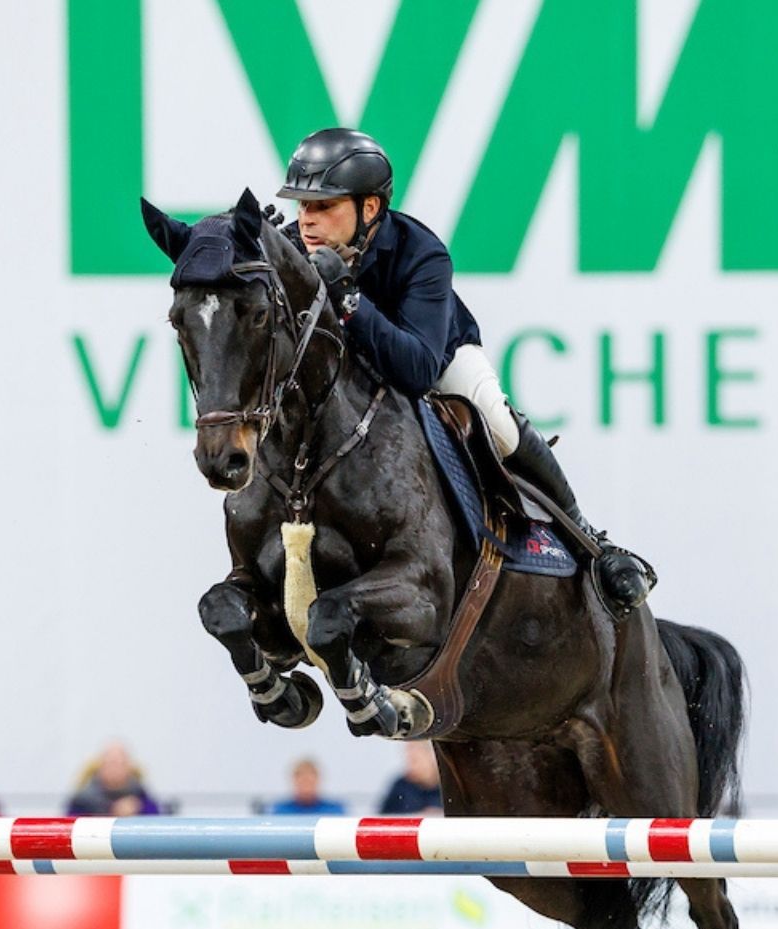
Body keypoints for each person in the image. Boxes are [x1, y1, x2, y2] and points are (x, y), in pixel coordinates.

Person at [274, 128, 656, 620]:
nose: (306, 219)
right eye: (303, 205)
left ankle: (592, 542)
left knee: (495, 420)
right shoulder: (291, 247)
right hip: (343, 373)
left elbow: (416, 370)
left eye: (324, 206)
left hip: (433, 356)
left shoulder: (421, 254)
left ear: (369, 207)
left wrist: (349, 300)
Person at [65, 740, 162, 816]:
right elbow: (72, 826)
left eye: (120, 764)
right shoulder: (83, 799)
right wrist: (110, 815)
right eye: (110, 763)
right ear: (100, 767)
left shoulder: (140, 795)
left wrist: (139, 809)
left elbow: (156, 820)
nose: (115, 769)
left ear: (129, 768)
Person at [378, 741, 442, 815]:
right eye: (408, 759)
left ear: (431, 756)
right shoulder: (401, 787)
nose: (411, 766)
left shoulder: (447, 785)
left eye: (415, 760)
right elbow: (383, 817)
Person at [267, 757, 346, 815]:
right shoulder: (281, 811)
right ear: (294, 780)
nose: (306, 785)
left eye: (309, 781)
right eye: (302, 780)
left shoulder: (334, 810)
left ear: (317, 780)